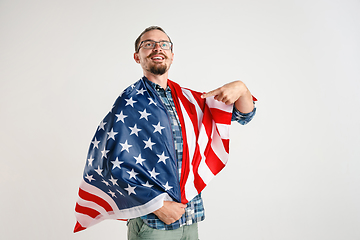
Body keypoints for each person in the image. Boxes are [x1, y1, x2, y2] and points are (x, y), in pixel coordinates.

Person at [73, 25, 256, 239]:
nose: (157, 48)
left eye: (164, 44)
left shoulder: (189, 100)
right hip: (154, 225)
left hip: (191, 218)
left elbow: (244, 115)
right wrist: (156, 206)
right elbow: (110, 165)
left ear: (172, 54)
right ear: (137, 56)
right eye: (148, 44)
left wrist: (241, 88)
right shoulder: (129, 103)